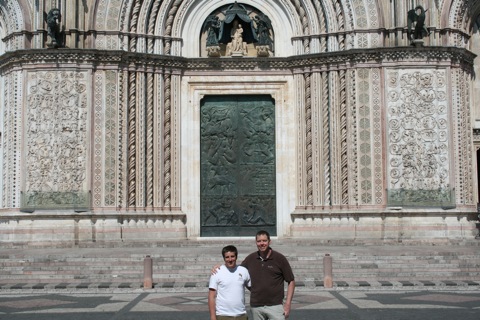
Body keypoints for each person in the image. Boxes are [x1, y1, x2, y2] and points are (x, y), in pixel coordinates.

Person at [213, 230, 295, 320]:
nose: (262, 243)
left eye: (264, 241)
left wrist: (288, 303)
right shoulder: (250, 259)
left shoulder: (279, 258)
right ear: (256, 242)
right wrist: (221, 267)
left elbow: (291, 281)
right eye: (259, 241)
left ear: (269, 241)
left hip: (275, 306)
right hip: (256, 307)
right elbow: (237, 270)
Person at [209, 245, 251, 320]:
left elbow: (253, 289)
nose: (230, 259)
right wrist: (213, 316)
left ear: (236, 257)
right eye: (227, 257)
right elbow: (211, 296)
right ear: (224, 258)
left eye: (232, 256)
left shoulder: (243, 271)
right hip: (223, 315)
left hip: (241, 315)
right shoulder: (217, 272)